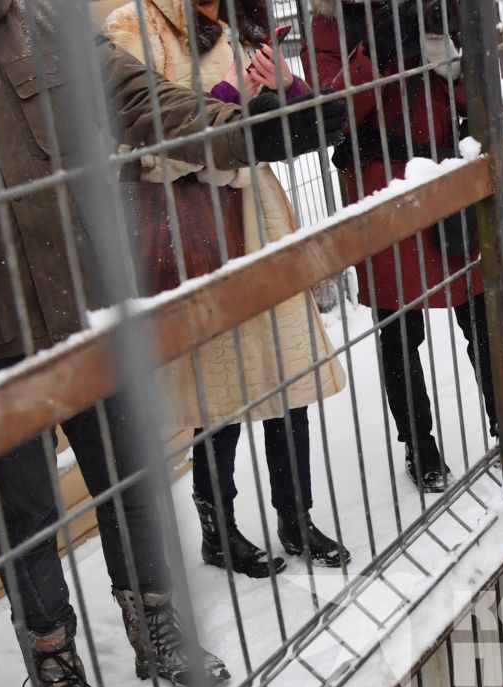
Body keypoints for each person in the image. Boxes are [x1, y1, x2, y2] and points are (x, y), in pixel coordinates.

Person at [0, 0, 344, 687]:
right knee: (27, 508)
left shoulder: (41, 23)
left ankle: (156, 630)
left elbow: (142, 100)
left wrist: (246, 131)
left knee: (128, 480)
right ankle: (56, 665)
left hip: (90, 301)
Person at [103, 0, 350, 576]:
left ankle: (296, 516)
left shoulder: (241, 21)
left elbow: (287, 130)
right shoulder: (135, 26)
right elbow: (134, 145)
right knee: (221, 398)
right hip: (199, 233)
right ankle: (220, 528)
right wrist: (229, 108)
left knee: (285, 381)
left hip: (260, 224)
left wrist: (283, 86)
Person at [304, 0, 503, 495]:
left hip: (449, 175)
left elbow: (477, 87)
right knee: (398, 331)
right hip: (382, 188)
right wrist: (377, 52)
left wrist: (450, 60)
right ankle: (419, 444)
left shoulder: (437, 5)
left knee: (480, 314)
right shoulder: (331, 23)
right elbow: (333, 112)